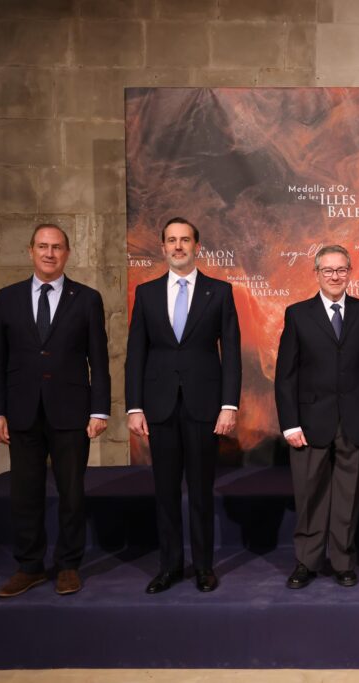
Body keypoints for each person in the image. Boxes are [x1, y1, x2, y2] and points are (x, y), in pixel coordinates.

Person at [0, 224, 110, 598]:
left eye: (56, 247)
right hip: (21, 411)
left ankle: (68, 564)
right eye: (43, 246)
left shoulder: (87, 299)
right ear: (31, 251)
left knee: (71, 493)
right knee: (25, 493)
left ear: (67, 253)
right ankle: (30, 566)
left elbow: (99, 360)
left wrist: (100, 411)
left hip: (71, 411)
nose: (49, 253)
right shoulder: (7, 298)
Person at [125, 217, 241, 594]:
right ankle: (170, 566)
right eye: (171, 240)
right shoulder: (146, 293)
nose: (178, 246)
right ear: (163, 247)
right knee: (165, 492)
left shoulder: (219, 292)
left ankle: (204, 567)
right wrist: (134, 406)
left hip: (204, 406)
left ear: (196, 247)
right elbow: (136, 353)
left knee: (201, 491)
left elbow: (232, 353)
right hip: (159, 407)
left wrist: (229, 404)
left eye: (185, 240)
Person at [275, 245, 359, 589]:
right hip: (309, 422)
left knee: (348, 497)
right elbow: (285, 375)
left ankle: (342, 562)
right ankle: (306, 562)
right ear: (317, 273)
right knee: (309, 494)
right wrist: (290, 423)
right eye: (328, 270)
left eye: (341, 270)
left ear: (350, 272)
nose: (335, 276)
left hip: (356, 420)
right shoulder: (297, 314)